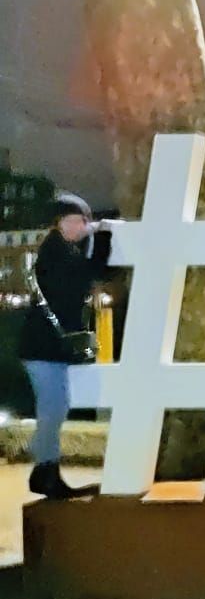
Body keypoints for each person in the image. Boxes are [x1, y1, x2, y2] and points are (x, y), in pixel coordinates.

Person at [17, 195, 116, 499]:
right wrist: (104, 237)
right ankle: (45, 471)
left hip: (45, 347)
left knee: (55, 408)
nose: (84, 226)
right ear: (61, 222)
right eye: (79, 220)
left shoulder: (58, 250)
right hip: (43, 348)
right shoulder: (56, 252)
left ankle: (45, 471)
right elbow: (90, 274)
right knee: (53, 410)